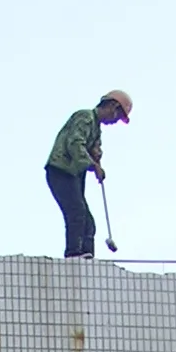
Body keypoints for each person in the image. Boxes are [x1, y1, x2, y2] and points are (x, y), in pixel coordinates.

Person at [45, 91, 131, 258]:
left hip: (73, 176)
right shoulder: (85, 117)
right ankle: (74, 255)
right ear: (113, 107)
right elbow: (75, 143)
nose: (115, 122)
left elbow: (94, 147)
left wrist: (96, 156)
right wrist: (93, 165)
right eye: (118, 116)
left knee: (88, 223)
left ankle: (87, 258)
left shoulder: (95, 129)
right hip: (61, 171)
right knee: (77, 212)